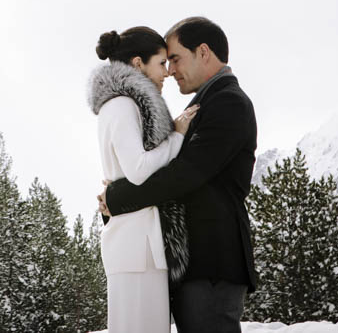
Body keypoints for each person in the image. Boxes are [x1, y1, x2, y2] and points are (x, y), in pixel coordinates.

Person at [98, 17, 257, 333]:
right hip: (193, 262)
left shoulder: (228, 102)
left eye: (175, 59)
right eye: (165, 62)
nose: (170, 70)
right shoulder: (202, 103)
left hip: (213, 260)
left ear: (203, 52)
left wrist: (118, 197)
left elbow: (186, 174)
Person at [89, 26, 199, 333]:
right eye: (161, 63)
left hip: (137, 244)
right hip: (137, 246)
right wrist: (176, 137)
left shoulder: (122, 104)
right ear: (138, 63)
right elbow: (138, 169)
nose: (167, 72)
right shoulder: (122, 105)